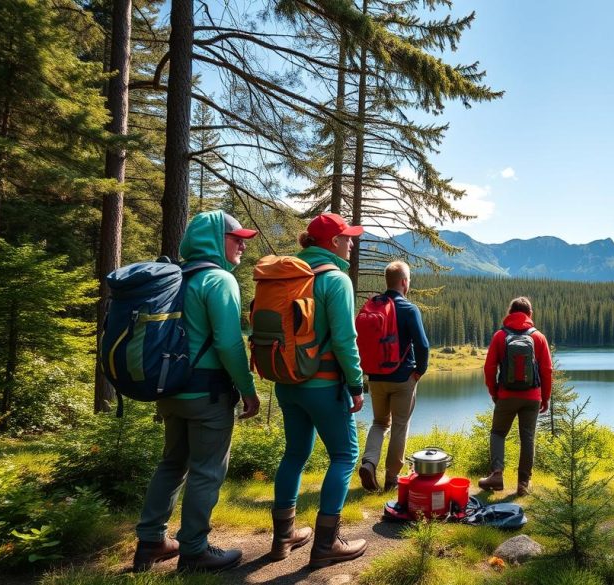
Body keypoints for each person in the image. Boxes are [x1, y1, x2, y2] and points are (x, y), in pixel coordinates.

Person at [133, 210, 261, 573]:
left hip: (170, 390)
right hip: (207, 394)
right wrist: (248, 390)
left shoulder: (175, 278)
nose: (242, 246)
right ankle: (194, 551)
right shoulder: (218, 279)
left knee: (172, 464)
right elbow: (229, 343)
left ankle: (151, 543)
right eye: (237, 238)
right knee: (206, 471)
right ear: (214, 239)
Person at [270, 212, 368, 568]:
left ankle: (283, 538)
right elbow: (344, 340)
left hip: (286, 382)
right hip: (323, 384)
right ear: (332, 243)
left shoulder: (288, 275)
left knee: (294, 454)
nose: (352, 243)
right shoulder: (335, 279)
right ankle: (326, 544)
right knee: (344, 455)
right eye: (347, 237)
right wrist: (356, 384)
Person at [358, 261, 430, 493]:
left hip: (376, 378)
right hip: (402, 378)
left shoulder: (373, 306)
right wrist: (420, 370)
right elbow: (423, 345)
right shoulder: (409, 309)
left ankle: (369, 462)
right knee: (399, 425)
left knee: (379, 423)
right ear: (404, 282)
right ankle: (392, 478)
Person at [477, 296, 553, 496]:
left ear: (510, 312)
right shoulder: (539, 337)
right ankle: (523, 484)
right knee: (527, 437)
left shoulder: (500, 336)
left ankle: (496, 475)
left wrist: (494, 392)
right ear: (530, 314)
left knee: (498, 433)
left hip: (506, 395)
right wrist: (545, 397)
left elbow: (489, 368)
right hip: (532, 396)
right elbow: (547, 371)